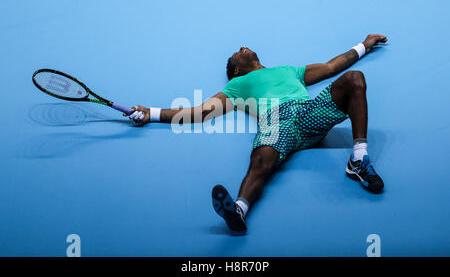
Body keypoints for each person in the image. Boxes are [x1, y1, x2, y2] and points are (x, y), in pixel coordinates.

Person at [125, 34, 387, 233]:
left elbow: (332, 67)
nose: (241, 48)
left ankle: (358, 160)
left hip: (308, 113)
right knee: (262, 160)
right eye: (236, 54)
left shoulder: (288, 71)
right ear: (237, 70)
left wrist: (364, 44)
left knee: (354, 78)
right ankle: (238, 211)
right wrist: (152, 112)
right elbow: (200, 111)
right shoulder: (237, 85)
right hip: (275, 121)